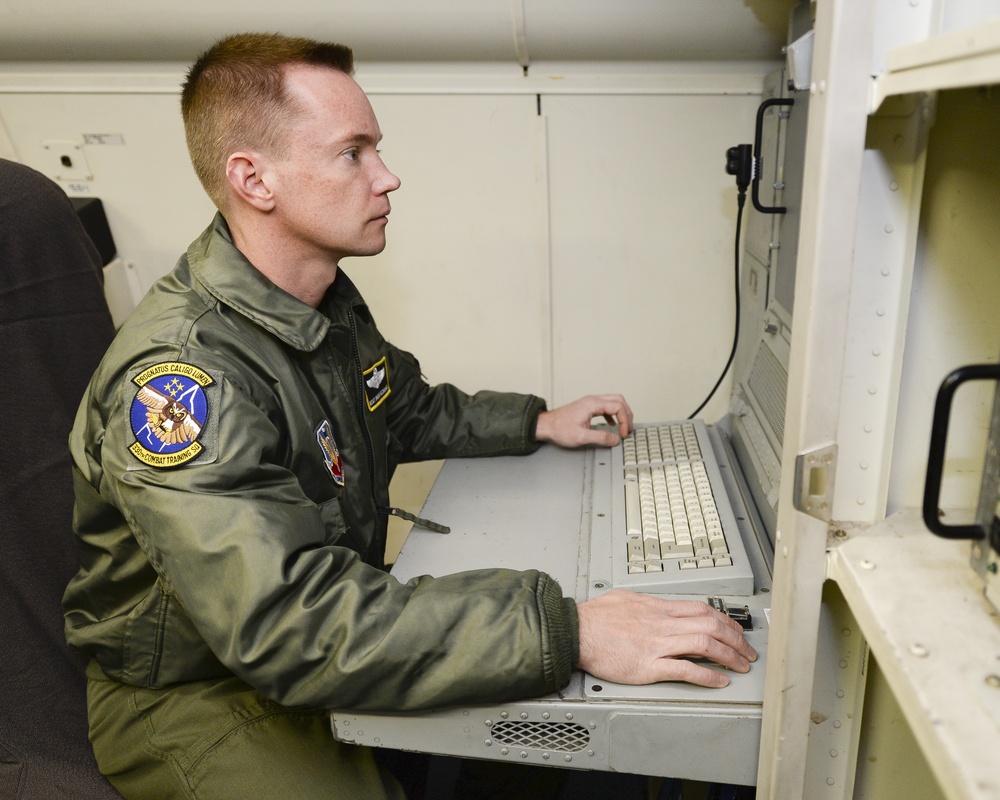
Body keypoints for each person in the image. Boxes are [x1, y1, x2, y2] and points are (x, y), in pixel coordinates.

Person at [63, 33, 757, 800]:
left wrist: (537, 422)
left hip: (313, 629)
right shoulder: (183, 384)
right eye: (353, 153)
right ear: (254, 179)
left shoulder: (320, 302)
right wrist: (573, 630)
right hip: (198, 693)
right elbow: (287, 623)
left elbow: (407, 408)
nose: (388, 178)